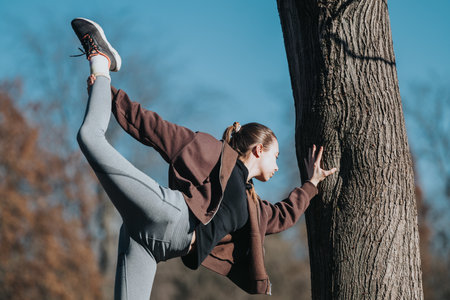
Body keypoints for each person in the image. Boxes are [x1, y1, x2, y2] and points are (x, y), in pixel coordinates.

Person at [71, 17, 337, 300]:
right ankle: (100, 61)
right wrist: (106, 93)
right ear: (259, 149)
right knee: (90, 138)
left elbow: (284, 215)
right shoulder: (209, 151)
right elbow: (152, 128)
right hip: (168, 216)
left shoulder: (253, 207)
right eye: (277, 156)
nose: (277, 165)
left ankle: (101, 74)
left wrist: (311, 184)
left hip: (152, 244)